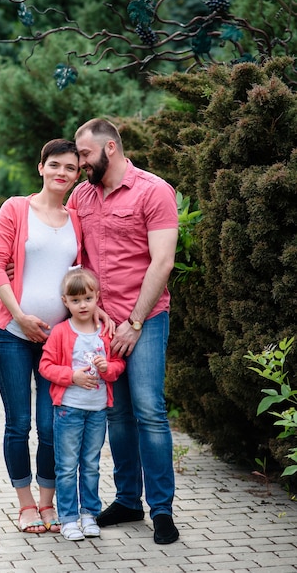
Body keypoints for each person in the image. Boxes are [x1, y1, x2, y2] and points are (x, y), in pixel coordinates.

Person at [67, 118, 180, 545]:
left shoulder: (154, 191)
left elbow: (162, 262)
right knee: (116, 413)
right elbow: (75, 258)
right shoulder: (82, 195)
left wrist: (134, 322)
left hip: (145, 320)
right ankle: (129, 500)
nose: (79, 163)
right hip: (101, 325)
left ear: (109, 148)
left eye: (83, 154)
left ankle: (163, 510)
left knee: (149, 411)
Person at [0, 138, 82, 534]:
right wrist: (21, 316)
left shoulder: (76, 216)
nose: (62, 173)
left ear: (77, 175)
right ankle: (25, 505)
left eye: (71, 168)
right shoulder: (16, 208)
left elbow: (83, 276)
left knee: (51, 426)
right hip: (11, 332)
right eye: (55, 165)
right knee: (18, 423)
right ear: (40, 167)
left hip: (56, 342)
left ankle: (47, 503)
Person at [39, 267, 125, 541]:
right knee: (66, 466)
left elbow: (118, 366)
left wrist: (107, 368)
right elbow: (46, 366)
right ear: (65, 302)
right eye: (75, 300)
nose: (82, 305)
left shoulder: (105, 332)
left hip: (98, 410)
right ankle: (68, 518)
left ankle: (89, 514)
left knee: (90, 464)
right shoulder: (61, 332)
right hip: (68, 410)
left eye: (87, 298)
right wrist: (72, 376)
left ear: (97, 297)